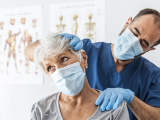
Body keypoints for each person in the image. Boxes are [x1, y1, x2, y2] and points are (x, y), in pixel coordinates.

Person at [25, 8, 160, 120]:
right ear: (127, 23)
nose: (133, 42)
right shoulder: (85, 49)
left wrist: (131, 99)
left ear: (150, 49)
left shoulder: (153, 75)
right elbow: (29, 52)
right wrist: (60, 41)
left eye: (143, 43)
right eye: (134, 32)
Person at [30, 33, 130, 120]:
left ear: (84, 58)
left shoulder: (114, 108)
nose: (59, 71)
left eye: (64, 59)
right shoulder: (41, 110)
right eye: (50, 68)